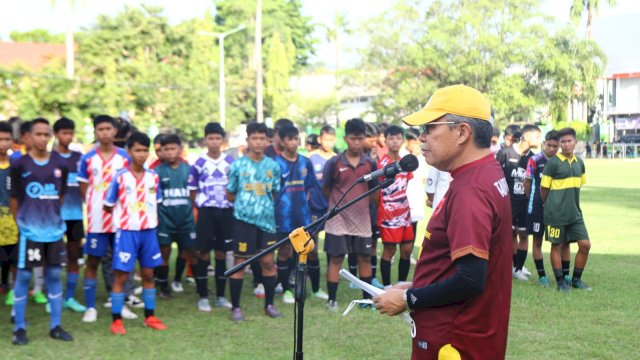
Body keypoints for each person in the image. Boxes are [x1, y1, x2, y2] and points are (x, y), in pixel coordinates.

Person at [373, 84, 512, 359]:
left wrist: (407, 299)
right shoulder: (485, 171)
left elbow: (470, 279)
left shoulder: (470, 189)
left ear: (462, 132)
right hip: (474, 332)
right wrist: (418, 286)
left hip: (454, 341)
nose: (422, 137)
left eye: (430, 128)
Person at [9, 118, 74, 344]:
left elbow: (61, 195)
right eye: (39, 134)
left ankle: (56, 326)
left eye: (47, 134)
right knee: (25, 276)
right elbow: (14, 198)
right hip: (30, 232)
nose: (43, 138)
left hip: (54, 231)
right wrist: (22, 224)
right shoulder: (20, 165)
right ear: (29, 137)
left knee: (55, 275)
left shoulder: (60, 164)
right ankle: (19, 328)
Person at [104, 132, 167, 335]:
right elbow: (108, 205)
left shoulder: (153, 177)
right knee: (122, 276)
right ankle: (116, 320)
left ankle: (149, 317)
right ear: (129, 151)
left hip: (148, 232)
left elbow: (156, 202)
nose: (141, 154)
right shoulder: (120, 177)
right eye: (137, 150)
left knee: (149, 274)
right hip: (127, 233)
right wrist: (126, 217)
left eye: (144, 150)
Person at [77, 115, 136, 322]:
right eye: (100, 129)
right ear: (95, 132)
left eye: (108, 129)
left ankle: (121, 303)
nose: (104, 132)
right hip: (97, 221)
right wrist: (95, 208)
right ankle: (91, 307)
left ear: (114, 132)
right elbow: (84, 190)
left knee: (121, 262)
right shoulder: (87, 158)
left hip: (120, 220)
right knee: (93, 262)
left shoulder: (124, 158)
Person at [226, 122, 282, 322]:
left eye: (262, 138)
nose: (258, 142)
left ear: (268, 141)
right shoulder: (238, 165)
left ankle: (269, 304)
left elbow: (274, 191)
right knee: (239, 262)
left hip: (266, 222)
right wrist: (247, 206)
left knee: (268, 262)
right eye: (254, 138)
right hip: (243, 221)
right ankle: (235, 307)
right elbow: (230, 193)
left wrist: (261, 206)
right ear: (247, 140)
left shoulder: (273, 166)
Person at [323, 118, 379, 310]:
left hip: (362, 220)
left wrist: (369, 213)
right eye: (353, 139)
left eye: (360, 139)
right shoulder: (334, 162)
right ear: (346, 138)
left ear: (364, 139)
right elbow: (327, 189)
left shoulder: (370, 164)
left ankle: (367, 300)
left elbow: (374, 192)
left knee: (364, 257)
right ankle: (332, 300)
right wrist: (338, 206)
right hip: (337, 220)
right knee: (336, 258)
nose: (356, 143)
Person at [188, 122, 235, 312]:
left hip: (226, 212)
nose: (214, 142)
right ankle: (203, 296)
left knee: (222, 253)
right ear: (205, 140)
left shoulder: (231, 163)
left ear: (223, 141)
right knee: (203, 253)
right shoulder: (198, 163)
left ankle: (221, 296)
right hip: (206, 212)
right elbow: (192, 191)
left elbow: (235, 187)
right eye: (210, 138)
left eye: (217, 138)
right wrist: (201, 205)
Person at [541, 127, 592, 292]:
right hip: (555, 214)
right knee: (556, 245)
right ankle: (561, 282)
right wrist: (549, 205)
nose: (566, 144)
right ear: (559, 144)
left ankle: (576, 280)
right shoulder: (553, 163)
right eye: (563, 141)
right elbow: (544, 189)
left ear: (575, 142)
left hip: (575, 214)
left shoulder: (580, 163)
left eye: (569, 141)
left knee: (585, 245)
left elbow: (578, 187)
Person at [273, 124, 319, 304]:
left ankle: (316, 289)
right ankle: (286, 290)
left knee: (311, 250)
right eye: (289, 139)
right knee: (284, 252)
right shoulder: (276, 164)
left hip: (302, 216)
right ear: (282, 141)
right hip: (283, 217)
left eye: (295, 139)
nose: (293, 142)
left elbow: (309, 187)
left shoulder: (305, 162)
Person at [153, 134, 198, 299]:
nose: (170, 152)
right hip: (165, 220)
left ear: (180, 149)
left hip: (185, 220)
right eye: (166, 149)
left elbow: (194, 194)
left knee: (188, 251)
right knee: (164, 252)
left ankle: (179, 280)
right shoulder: (157, 171)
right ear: (161, 151)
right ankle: (164, 286)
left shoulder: (189, 169)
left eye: (173, 148)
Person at [496, 124, 541, 281]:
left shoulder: (534, 158)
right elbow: (495, 178)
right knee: (508, 235)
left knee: (523, 234)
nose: (539, 140)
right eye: (537, 136)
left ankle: (519, 268)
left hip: (525, 204)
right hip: (507, 203)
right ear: (527, 137)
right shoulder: (505, 154)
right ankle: (508, 266)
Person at [52, 117, 87, 312]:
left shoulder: (78, 157)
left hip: (75, 215)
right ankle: (52, 298)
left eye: (71, 133)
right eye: (64, 133)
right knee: (53, 258)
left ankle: (70, 297)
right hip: (54, 216)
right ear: (56, 135)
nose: (68, 136)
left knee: (74, 255)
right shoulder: (50, 157)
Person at [377, 125, 414, 288]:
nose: (395, 142)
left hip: (405, 212)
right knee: (389, 251)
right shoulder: (382, 164)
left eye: (398, 138)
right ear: (385, 140)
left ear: (403, 141)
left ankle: (400, 286)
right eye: (391, 138)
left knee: (407, 250)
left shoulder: (406, 162)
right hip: (389, 214)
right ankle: (386, 287)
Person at [524, 130, 560, 287]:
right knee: (537, 241)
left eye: (555, 146)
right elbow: (527, 183)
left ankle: (561, 274)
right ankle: (542, 276)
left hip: (556, 210)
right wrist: (534, 199)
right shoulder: (535, 160)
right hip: (537, 208)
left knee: (556, 241)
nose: (552, 148)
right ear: (544, 143)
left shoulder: (561, 161)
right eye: (549, 145)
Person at [306, 125, 337, 300]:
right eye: (325, 139)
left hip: (333, 209)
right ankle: (315, 286)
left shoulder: (337, 159)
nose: (328, 142)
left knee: (333, 249)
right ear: (319, 139)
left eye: (331, 139)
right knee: (312, 247)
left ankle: (331, 282)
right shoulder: (310, 158)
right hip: (314, 208)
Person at [0, 122, 18, 308]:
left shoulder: (16, 165)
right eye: (0, 139)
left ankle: (14, 290)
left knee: (13, 256)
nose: (3, 143)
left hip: (12, 217)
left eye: (7, 139)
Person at [363, 122, 383, 288]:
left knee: (373, 243)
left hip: (372, 209)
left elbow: (376, 190)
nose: (372, 142)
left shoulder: (374, 159)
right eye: (369, 138)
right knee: (358, 245)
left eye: (374, 138)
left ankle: (372, 277)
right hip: (356, 211)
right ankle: (356, 277)